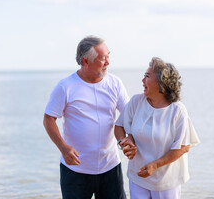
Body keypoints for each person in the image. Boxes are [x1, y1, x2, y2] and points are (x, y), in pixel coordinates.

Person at [43, 36, 130, 199]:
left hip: (110, 167)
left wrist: (128, 139)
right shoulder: (65, 86)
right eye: (103, 58)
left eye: (108, 56)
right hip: (76, 170)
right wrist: (63, 147)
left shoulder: (115, 83)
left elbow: (130, 116)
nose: (108, 62)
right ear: (85, 61)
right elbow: (48, 119)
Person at [115, 57, 200, 199]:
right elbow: (119, 126)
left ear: (161, 83)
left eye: (147, 76)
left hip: (166, 182)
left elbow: (184, 146)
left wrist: (155, 165)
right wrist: (123, 142)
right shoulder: (136, 101)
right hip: (137, 177)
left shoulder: (177, 110)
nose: (142, 80)